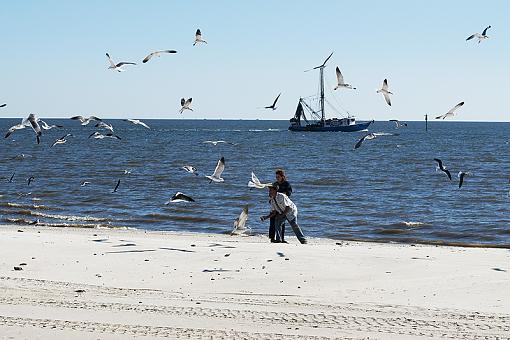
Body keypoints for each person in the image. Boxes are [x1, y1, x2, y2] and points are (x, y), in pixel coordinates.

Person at [268, 169, 292, 243]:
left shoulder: (286, 184)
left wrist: (280, 194)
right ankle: (272, 238)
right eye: (276, 177)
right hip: (275, 204)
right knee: (272, 221)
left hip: (282, 205)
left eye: (278, 177)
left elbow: (289, 193)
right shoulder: (275, 184)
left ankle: (281, 238)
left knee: (281, 222)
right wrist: (271, 198)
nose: (277, 178)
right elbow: (270, 193)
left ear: (282, 177)